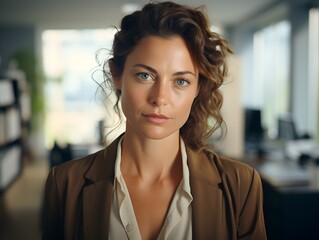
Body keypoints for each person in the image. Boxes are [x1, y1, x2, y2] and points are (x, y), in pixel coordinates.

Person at [42, 1, 267, 239]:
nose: (160, 98)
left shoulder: (241, 184)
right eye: (145, 75)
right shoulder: (65, 184)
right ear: (116, 75)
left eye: (181, 81)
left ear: (197, 89)